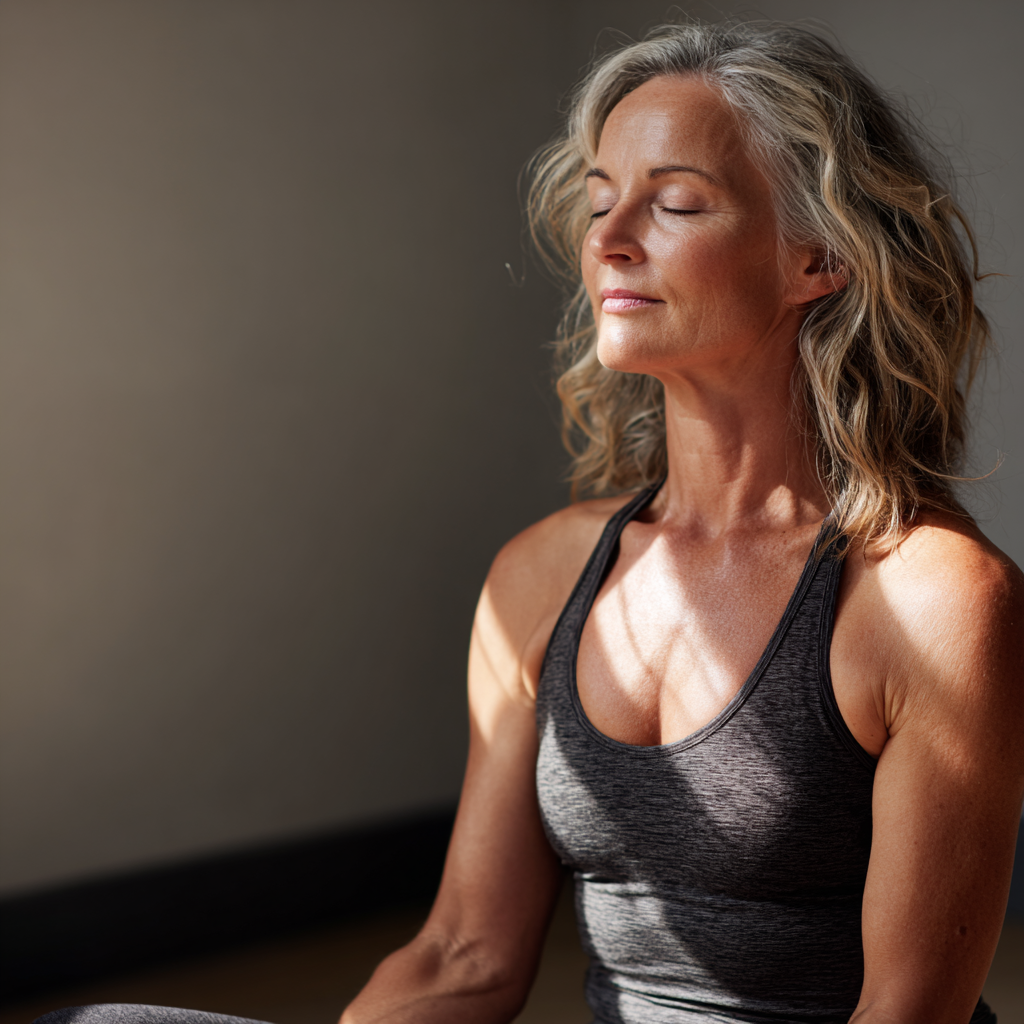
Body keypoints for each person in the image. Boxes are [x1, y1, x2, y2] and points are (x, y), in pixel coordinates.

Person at [36, 18, 1024, 1024]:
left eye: (675, 201)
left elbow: (906, 1011)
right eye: (600, 200)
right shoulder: (545, 574)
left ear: (817, 257)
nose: (609, 237)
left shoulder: (932, 597)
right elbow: (463, 956)